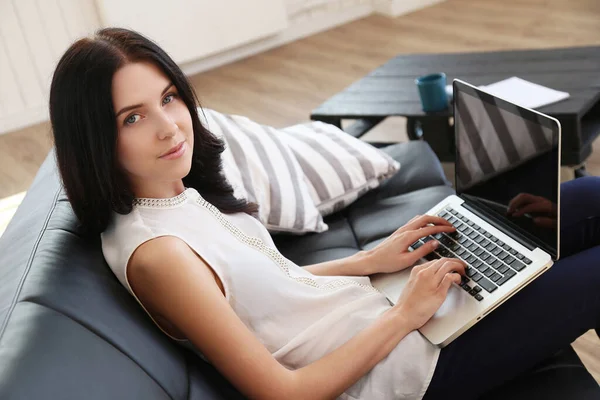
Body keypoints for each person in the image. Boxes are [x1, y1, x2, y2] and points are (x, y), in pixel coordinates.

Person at [48, 27, 599, 400]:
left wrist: (371, 259)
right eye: (132, 118)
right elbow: (283, 393)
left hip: (387, 312)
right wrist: (406, 313)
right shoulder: (157, 253)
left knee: (584, 198)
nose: (170, 126)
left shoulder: (168, 193)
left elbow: (260, 286)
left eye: (169, 98)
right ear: (93, 138)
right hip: (407, 368)